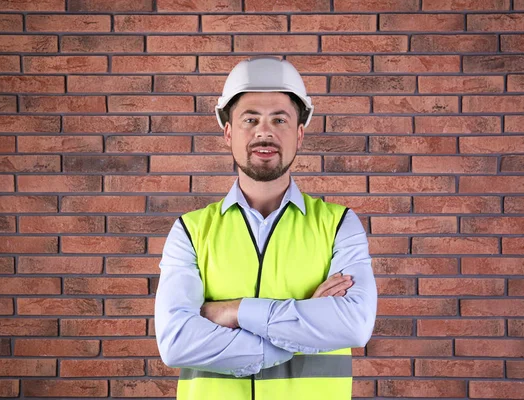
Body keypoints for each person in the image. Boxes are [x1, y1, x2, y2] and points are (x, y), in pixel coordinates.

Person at [154, 57, 378, 400]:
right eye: (250, 119)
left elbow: (354, 325)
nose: (264, 131)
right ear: (228, 132)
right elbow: (176, 343)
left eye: (279, 119)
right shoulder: (190, 231)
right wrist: (303, 331)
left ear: (299, 133)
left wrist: (233, 310)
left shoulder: (339, 225)